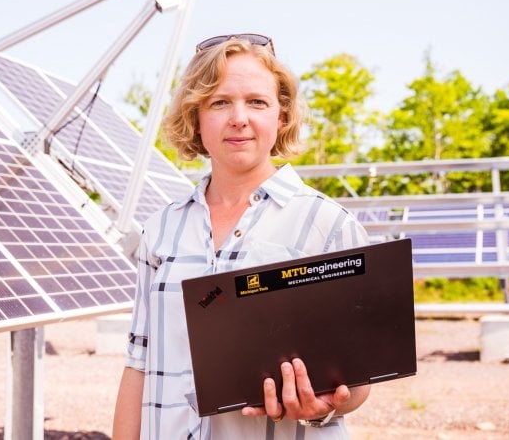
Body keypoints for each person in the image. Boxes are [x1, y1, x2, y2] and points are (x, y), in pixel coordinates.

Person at [113, 33, 371, 439]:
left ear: (280, 117)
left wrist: (321, 408)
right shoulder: (160, 230)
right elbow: (139, 361)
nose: (239, 118)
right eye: (219, 102)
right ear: (196, 118)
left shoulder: (329, 225)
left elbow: (356, 381)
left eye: (256, 102)